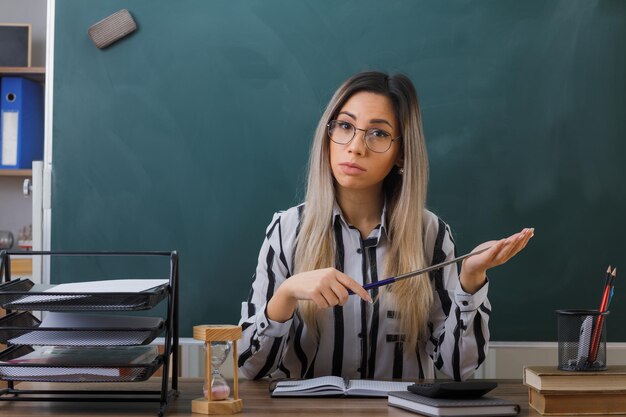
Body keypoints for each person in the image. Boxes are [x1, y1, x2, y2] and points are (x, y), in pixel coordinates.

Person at [238, 71, 533, 381]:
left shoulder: (430, 235)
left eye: (377, 133)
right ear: (328, 134)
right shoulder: (287, 230)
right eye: (345, 126)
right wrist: (285, 295)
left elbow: (458, 367)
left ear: (401, 154)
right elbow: (251, 368)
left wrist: (471, 278)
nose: (355, 147)